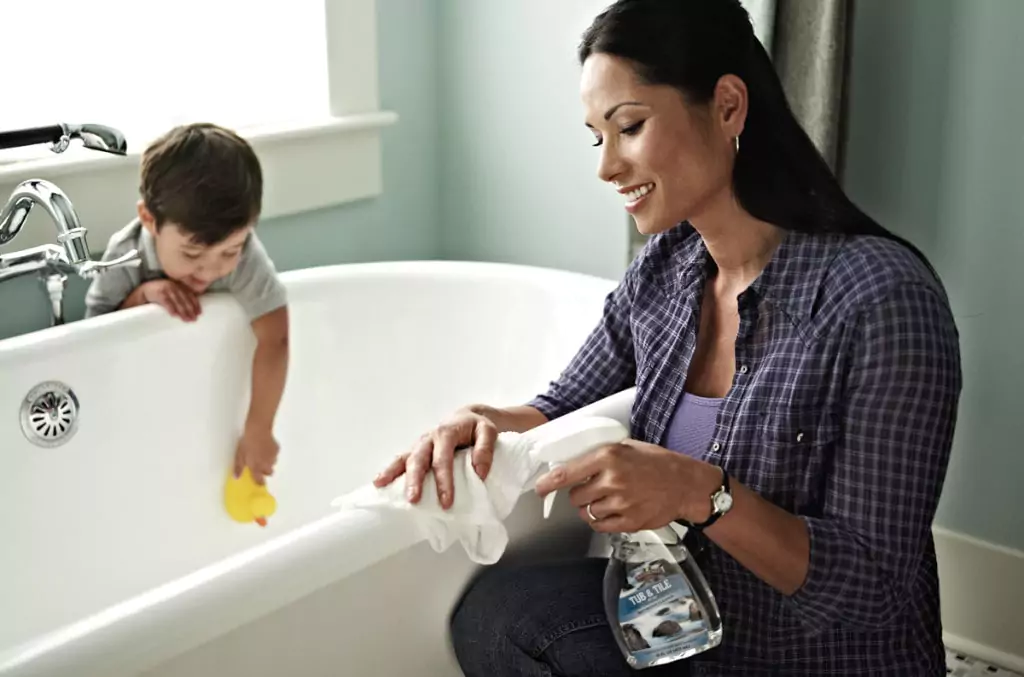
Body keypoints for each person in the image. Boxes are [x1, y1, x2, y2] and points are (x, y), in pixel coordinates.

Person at [375, 0, 962, 674]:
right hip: (685, 624)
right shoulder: (667, 268)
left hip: (808, 656)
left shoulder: (883, 301)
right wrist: (481, 419)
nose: (607, 167)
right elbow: (559, 401)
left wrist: (699, 493)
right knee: (497, 618)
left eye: (629, 126)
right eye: (598, 136)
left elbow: (873, 589)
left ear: (729, 107)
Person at [84, 122, 289, 485]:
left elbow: (275, 335)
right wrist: (141, 296)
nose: (211, 269)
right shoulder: (125, 255)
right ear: (149, 220)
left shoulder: (245, 256)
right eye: (192, 252)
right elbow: (91, 342)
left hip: (207, 395)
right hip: (140, 401)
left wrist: (259, 426)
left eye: (229, 250)